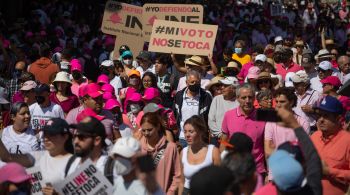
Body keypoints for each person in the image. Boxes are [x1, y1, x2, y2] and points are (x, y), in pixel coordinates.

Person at [220, 84, 266, 177]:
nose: (247, 101)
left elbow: (267, 146)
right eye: (243, 98)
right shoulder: (228, 115)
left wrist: (269, 172)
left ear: (254, 98)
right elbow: (224, 142)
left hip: (257, 171)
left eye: (250, 97)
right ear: (237, 98)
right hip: (234, 170)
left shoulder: (264, 116)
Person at [310, 96, 350, 195]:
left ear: (338, 118)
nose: (321, 120)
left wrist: (328, 171)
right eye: (319, 115)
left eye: (326, 116)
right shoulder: (314, 136)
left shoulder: (347, 140)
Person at [139, 112, 181, 194]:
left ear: (158, 127)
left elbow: (177, 175)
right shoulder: (139, 148)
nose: (146, 133)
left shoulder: (170, 147)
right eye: (143, 130)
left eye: (150, 130)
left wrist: (170, 192)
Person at [179, 116, 221, 195]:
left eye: (191, 131)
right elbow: (181, 182)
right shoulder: (183, 153)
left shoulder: (213, 151)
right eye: (185, 132)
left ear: (200, 132)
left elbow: (219, 181)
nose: (187, 135)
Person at [174, 70, 212, 148]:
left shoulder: (206, 96)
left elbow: (209, 116)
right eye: (192, 82)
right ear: (186, 82)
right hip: (183, 137)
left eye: (197, 82)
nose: (195, 84)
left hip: (200, 137)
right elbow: (176, 115)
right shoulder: (179, 96)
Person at [208, 77, 239, 146]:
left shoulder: (240, 101)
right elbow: (211, 120)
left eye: (225, 86)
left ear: (234, 88)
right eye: (222, 85)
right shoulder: (216, 99)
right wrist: (220, 135)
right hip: (217, 139)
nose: (222, 87)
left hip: (234, 139)